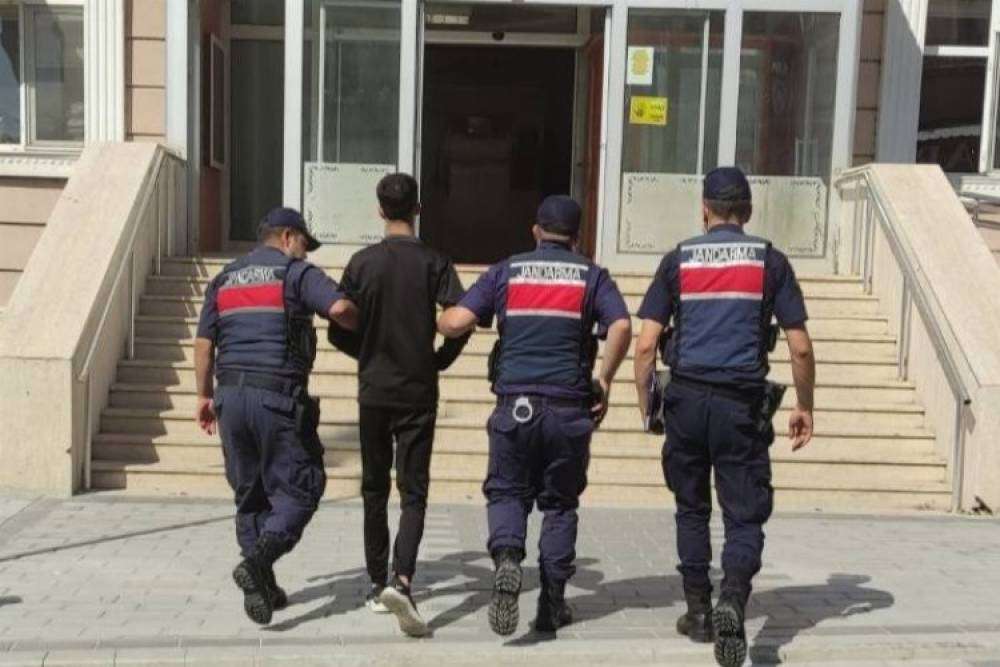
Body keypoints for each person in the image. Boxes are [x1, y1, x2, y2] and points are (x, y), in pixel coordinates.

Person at [632, 167, 816, 667]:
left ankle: (698, 613)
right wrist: (804, 405)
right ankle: (732, 598)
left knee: (691, 508)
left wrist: (649, 407)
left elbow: (646, 345)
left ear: (704, 210)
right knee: (743, 514)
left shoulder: (678, 260)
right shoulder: (770, 261)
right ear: (748, 212)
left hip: (687, 402)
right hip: (741, 405)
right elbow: (799, 347)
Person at [437, 195, 632, 637]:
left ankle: (508, 558)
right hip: (568, 409)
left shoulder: (506, 271)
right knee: (560, 505)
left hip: (516, 407)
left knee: (507, 493)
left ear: (536, 231)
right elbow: (621, 326)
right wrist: (604, 379)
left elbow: (455, 323)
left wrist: (438, 317)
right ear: (577, 236)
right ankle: (551, 605)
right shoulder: (592, 276)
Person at [193, 207, 358, 626]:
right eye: (303, 243)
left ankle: (263, 583)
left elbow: (204, 345)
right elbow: (340, 308)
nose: (305, 252)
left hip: (230, 398)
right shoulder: (295, 274)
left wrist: (203, 395)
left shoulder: (224, 278)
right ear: (287, 237)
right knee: (302, 488)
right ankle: (258, 562)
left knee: (249, 494)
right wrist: (362, 322)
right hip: (277, 398)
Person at [336, 173, 470, 638]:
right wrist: (439, 359)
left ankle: (377, 584)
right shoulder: (435, 262)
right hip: (417, 391)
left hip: (374, 390)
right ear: (417, 209)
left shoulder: (361, 263)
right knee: (413, 491)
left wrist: (367, 355)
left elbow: (337, 326)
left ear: (379, 210)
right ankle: (403, 579)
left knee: (374, 489)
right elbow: (460, 319)